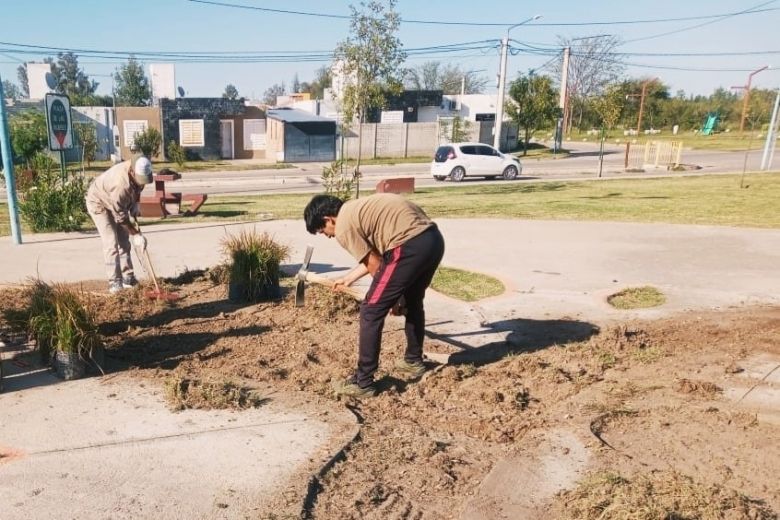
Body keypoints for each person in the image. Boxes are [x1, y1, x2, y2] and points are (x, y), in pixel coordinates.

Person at [304, 193, 445, 398]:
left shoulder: (343, 225)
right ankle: (413, 361)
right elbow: (378, 256)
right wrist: (349, 278)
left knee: (371, 310)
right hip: (432, 240)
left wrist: (392, 300)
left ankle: (363, 382)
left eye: (322, 230)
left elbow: (376, 265)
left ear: (328, 219)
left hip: (408, 246)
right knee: (413, 302)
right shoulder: (358, 209)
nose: (327, 236)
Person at [85, 156, 153, 294]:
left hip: (115, 203)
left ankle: (128, 278)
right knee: (111, 243)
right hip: (99, 202)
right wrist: (136, 234)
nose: (142, 183)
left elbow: (138, 187)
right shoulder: (121, 185)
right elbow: (120, 216)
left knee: (124, 242)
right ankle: (115, 282)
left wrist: (136, 203)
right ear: (133, 172)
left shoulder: (138, 167)